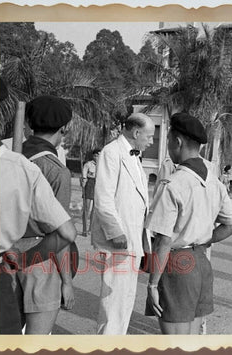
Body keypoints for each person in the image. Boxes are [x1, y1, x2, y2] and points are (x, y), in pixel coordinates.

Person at [0, 75, 77, 334]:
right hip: (38, 259)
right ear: (63, 129)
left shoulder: (9, 153)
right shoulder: (55, 171)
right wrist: (66, 281)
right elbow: (61, 236)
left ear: (29, 123)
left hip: (4, 255)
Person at [146, 112, 232, 334]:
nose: (168, 146)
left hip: (177, 263)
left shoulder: (174, 184)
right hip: (201, 261)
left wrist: (152, 284)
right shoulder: (214, 182)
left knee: (175, 341)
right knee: (193, 338)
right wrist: (206, 239)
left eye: (168, 140)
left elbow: (164, 241)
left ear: (177, 142)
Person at [91, 112, 155, 335]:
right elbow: (103, 198)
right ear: (136, 133)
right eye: (149, 136)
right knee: (114, 303)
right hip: (118, 242)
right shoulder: (112, 152)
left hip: (132, 241)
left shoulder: (134, 157)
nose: (151, 141)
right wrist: (115, 232)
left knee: (125, 301)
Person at [81, 148, 101, 236]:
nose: (97, 157)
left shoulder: (103, 165)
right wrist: (83, 182)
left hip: (98, 185)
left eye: (99, 155)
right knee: (87, 208)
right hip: (89, 184)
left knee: (95, 210)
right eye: (96, 155)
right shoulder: (88, 164)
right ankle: (84, 229)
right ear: (93, 156)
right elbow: (84, 176)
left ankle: (91, 229)